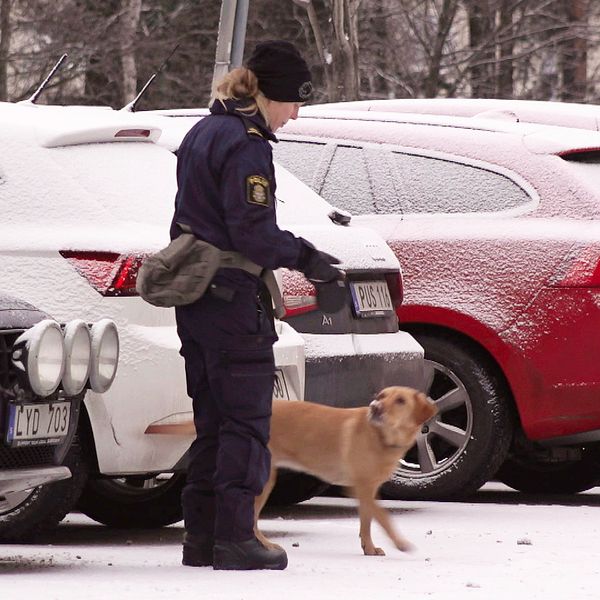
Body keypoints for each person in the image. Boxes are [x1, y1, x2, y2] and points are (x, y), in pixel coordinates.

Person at [171, 40, 344, 571]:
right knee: (246, 422)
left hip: (197, 298)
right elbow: (253, 233)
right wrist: (310, 260)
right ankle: (236, 539)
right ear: (272, 94)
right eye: (295, 102)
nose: (296, 114)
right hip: (231, 302)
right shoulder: (247, 145)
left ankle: (201, 537)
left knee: (213, 422)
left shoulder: (203, 131)